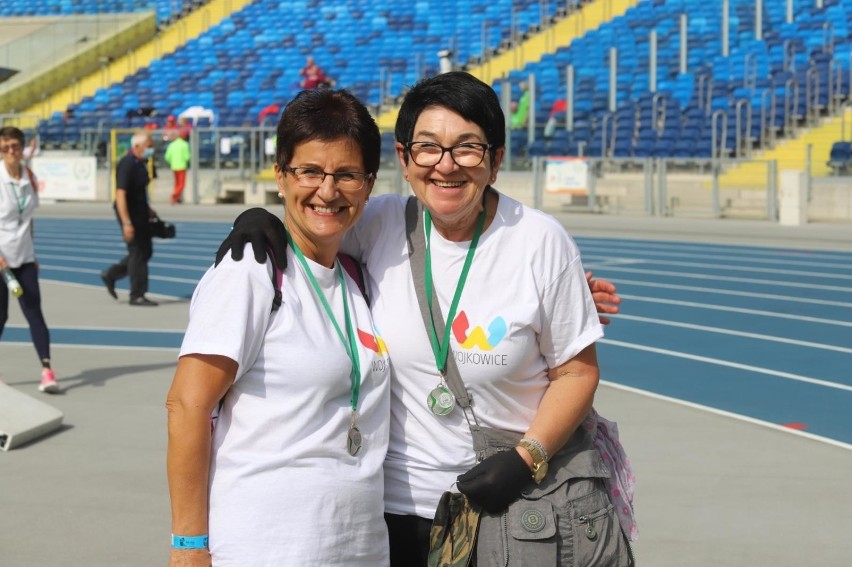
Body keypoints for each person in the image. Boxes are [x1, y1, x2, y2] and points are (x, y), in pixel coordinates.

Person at [217, 72, 634, 565]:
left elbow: (577, 372)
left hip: (505, 506)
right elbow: (316, 221)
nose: (446, 165)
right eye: (428, 148)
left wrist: (527, 459)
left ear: (495, 160)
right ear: (404, 158)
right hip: (391, 515)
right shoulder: (378, 224)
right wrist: (259, 219)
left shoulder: (540, 242)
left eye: (468, 148)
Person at [166, 88, 390, 566]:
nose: (327, 191)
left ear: (369, 185)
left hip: (357, 546)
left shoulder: (355, 277)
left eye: (347, 175)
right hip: (264, 546)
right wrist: (188, 547)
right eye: (309, 171)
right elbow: (187, 404)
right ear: (281, 174)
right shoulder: (250, 269)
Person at [0, 126, 58, 393]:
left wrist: (32, 254)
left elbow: (28, 218)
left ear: (22, 148)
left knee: (34, 312)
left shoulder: (29, 177)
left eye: (14, 146)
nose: (11, 152)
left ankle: (47, 370)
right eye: (5, 148)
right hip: (0, 261)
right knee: (0, 317)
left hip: (23, 258)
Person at [100, 131, 159, 306]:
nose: (151, 149)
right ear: (137, 146)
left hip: (140, 212)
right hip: (130, 214)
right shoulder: (127, 164)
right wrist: (126, 222)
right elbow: (121, 195)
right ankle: (137, 294)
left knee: (145, 251)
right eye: (148, 146)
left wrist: (149, 210)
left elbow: (139, 191)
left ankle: (111, 274)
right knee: (138, 252)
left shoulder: (141, 163)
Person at [164, 130, 190, 204]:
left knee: (177, 183)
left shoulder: (172, 144)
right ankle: (174, 195)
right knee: (181, 184)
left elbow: (167, 157)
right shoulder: (185, 144)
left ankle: (177, 198)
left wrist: (171, 162)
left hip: (174, 166)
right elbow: (187, 157)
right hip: (181, 166)